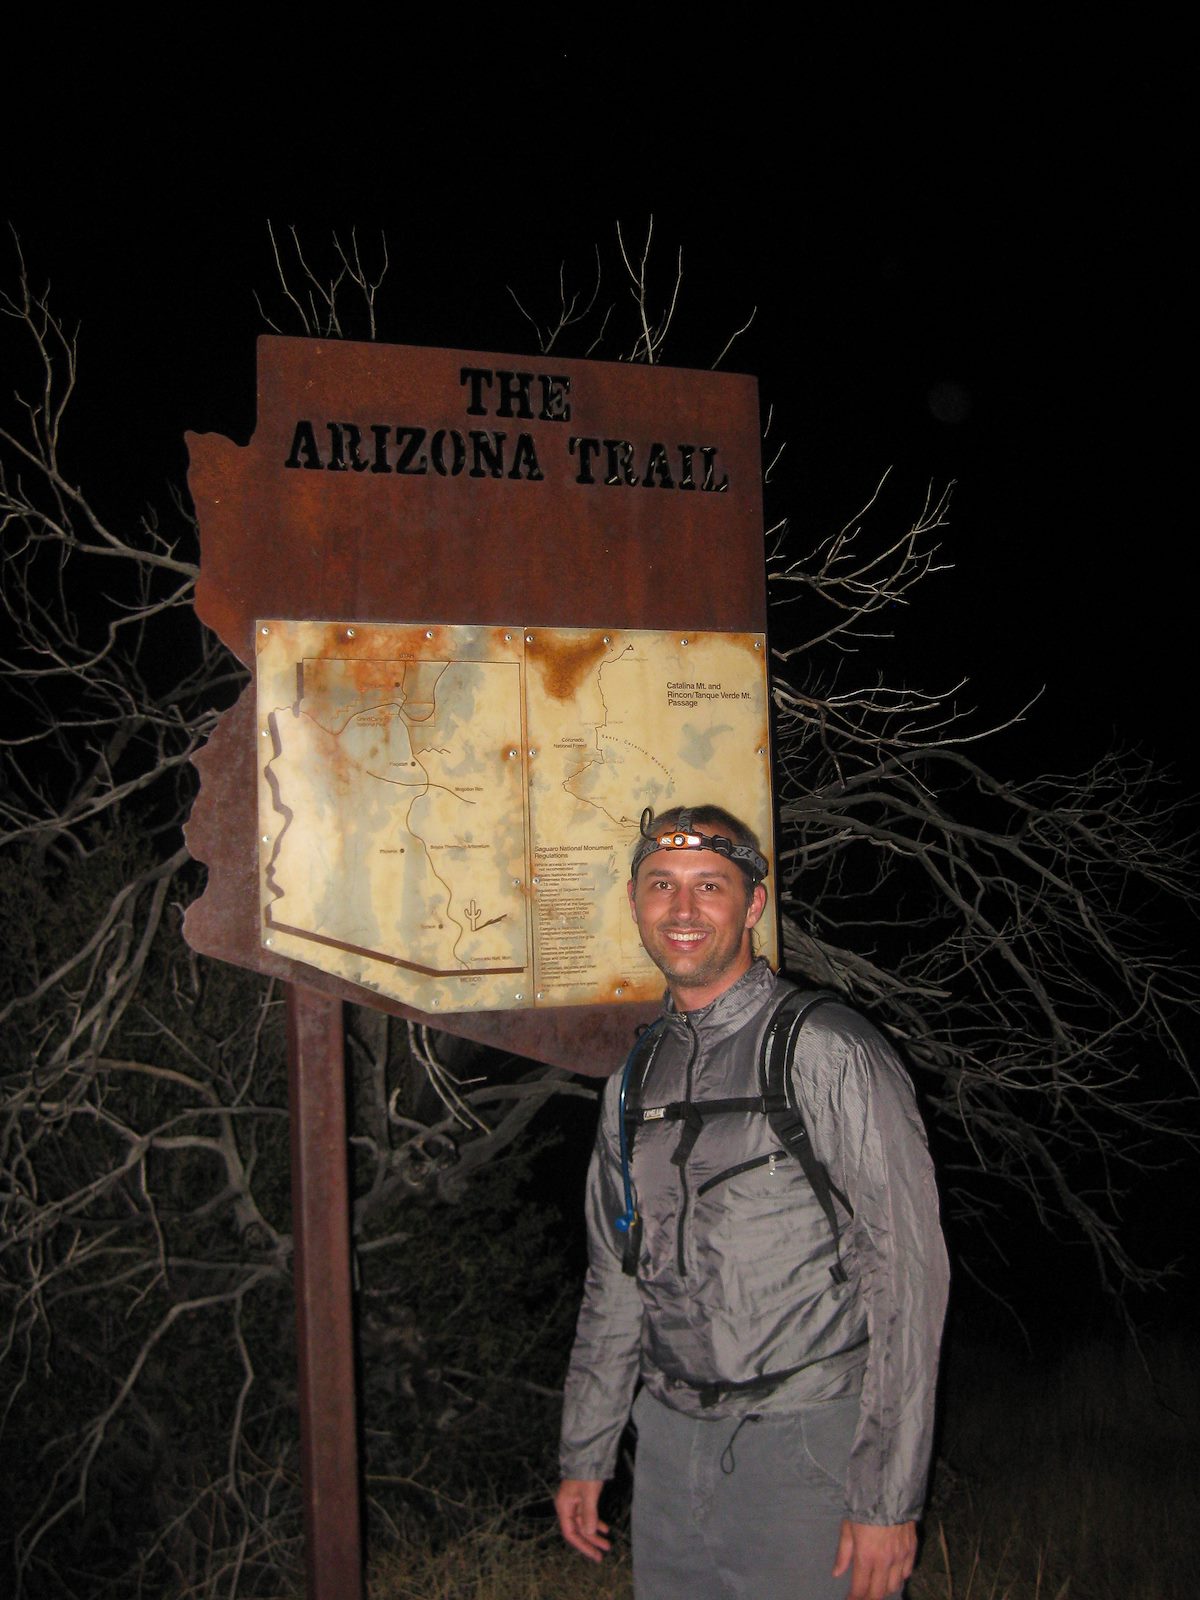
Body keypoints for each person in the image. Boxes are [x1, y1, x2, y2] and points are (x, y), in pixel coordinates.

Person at [555, 804, 949, 1600]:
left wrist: (885, 1493)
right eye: (662, 884)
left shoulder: (826, 1050)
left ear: (753, 905)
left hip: (809, 1446)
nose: (683, 908)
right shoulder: (633, 1079)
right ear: (634, 902)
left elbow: (906, 1274)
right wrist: (586, 1451)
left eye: (710, 885)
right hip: (669, 1452)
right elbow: (617, 1277)